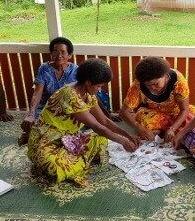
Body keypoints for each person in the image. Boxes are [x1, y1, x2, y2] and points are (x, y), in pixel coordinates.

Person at [27, 58, 140, 186]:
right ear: (87, 82)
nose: (99, 89)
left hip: (67, 137)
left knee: (100, 139)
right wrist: (123, 141)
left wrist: (128, 135)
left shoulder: (88, 94)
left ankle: (74, 158)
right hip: (47, 139)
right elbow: (97, 126)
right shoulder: (69, 95)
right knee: (52, 165)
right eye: (98, 86)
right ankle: (63, 161)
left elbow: (105, 121)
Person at [18, 37, 116, 145]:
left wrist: (107, 115)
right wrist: (31, 114)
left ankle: (52, 137)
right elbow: (37, 92)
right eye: (55, 51)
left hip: (70, 107)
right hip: (49, 108)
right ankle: (34, 136)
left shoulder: (76, 70)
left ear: (69, 55)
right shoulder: (44, 68)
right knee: (37, 124)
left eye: (63, 52)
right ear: (51, 54)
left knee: (91, 123)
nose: (59, 55)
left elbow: (92, 94)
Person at [119, 56, 195, 143]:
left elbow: (184, 109)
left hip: (177, 112)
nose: (152, 88)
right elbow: (123, 112)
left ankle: (162, 132)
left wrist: (172, 128)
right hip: (153, 112)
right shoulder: (138, 84)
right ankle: (166, 133)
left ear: (165, 75)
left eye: (156, 84)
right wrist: (139, 128)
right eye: (148, 85)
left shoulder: (178, 81)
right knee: (144, 120)